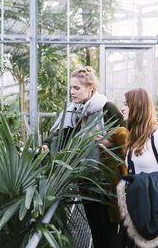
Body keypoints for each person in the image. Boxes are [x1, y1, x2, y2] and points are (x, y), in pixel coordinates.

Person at [42, 66, 124, 248]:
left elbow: (127, 136)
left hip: (107, 179)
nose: (72, 92)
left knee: (110, 229)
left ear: (90, 88)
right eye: (71, 88)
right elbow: (61, 135)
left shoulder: (106, 108)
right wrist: (47, 144)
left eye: (76, 88)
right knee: (95, 228)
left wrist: (110, 143)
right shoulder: (73, 112)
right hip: (86, 179)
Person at [117, 88, 158, 248]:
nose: (122, 108)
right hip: (137, 209)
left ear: (138, 107)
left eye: (126, 104)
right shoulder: (134, 136)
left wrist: (144, 190)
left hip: (155, 210)